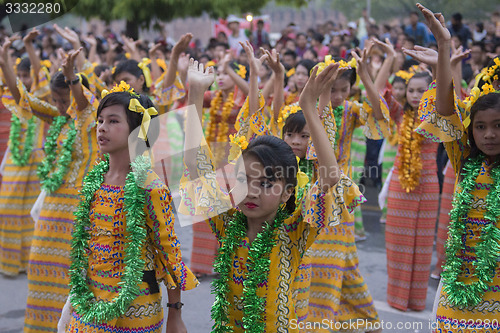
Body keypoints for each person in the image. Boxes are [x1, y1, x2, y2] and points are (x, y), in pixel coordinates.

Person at [182, 57, 363, 332]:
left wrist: (308, 109)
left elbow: (331, 179)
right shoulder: (227, 224)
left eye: (267, 183)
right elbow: (197, 168)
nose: (252, 191)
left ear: (287, 193)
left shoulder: (294, 232)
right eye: (244, 179)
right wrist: (195, 94)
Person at [56, 85, 198, 332]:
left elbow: (170, 254)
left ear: (138, 132)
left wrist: (175, 314)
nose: (102, 127)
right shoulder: (94, 181)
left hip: (134, 308)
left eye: (113, 121)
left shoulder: (151, 188)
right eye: (100, 120)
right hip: (89, 300)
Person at [415, 4, 500, 331]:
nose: (489, 134)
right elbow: (447, 111)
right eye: (480, 127)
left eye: (497, 126)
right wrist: (444, 47)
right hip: (459, 290)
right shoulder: (464, 159)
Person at [0, 31, 47, 276]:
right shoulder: (15, 96)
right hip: (15, 158)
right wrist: (5, 56)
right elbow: (7, 79)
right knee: (7, 208)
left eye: (26, 75)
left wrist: (28, 46)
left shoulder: (40, 97)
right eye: (19, 75)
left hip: (36, 158)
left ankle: (26, 261)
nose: (23, 79)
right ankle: (9, 262)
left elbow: (40, 72)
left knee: (30, 212)